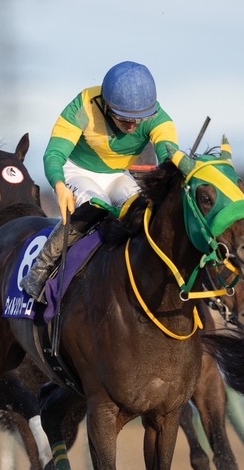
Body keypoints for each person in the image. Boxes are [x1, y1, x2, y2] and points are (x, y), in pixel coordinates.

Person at [20, 60, 180, 300]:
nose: (133, 125)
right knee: (96, 205)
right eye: (125, 119)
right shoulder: (83, 105)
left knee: (140, 208)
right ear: (106, 107)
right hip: (75, 172)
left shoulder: (158, 117)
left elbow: (170, 157)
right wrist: (59, 185)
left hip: (118, 174)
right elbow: (54, 154)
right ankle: (41, 270)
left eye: (139, 120)